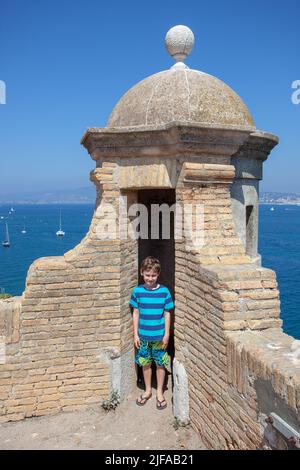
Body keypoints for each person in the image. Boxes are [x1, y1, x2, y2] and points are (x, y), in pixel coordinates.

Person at [129, 256, 174, 410]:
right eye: (147, 275)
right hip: (143, 337)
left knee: (161, 365)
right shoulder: (137, 291)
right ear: (142, 273)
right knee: (146, 364)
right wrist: (135, 334)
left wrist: (167, 334)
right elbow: (136, 313)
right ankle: (148, 390)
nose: (150, 278)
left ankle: (160, 392)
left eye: (153, 275)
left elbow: (167, 313)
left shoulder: (164, 292)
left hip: (159, 337)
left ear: (158, 274)